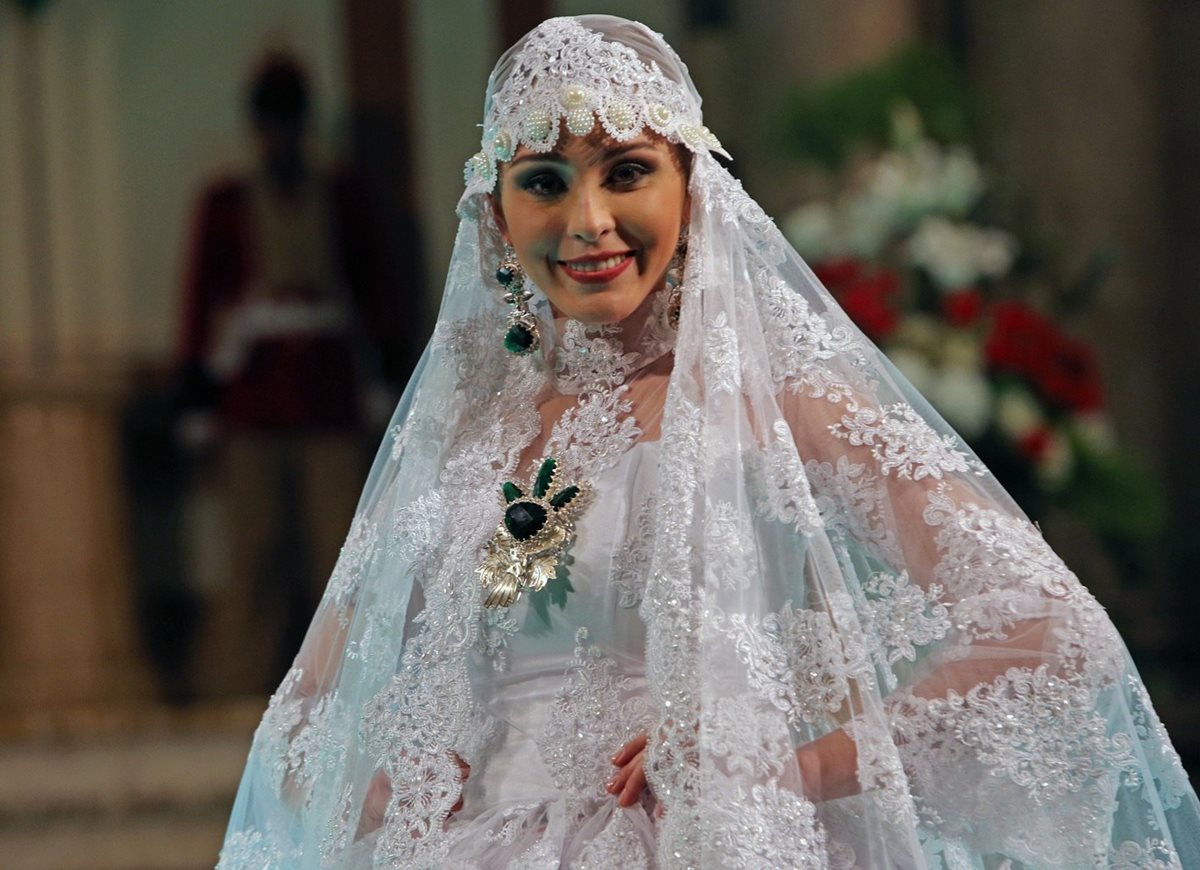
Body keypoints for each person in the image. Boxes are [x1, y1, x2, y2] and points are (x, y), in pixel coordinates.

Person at [217, 16, 1200, 868]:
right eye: (545, 181)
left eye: (627, 173)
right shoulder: (469, 435)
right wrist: (389, 781)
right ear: (497, 218)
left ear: (693, 189)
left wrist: (791, 767)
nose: (588, 221)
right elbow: (305, 713)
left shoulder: (778, 408)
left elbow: (1050, 633)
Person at [176, 53, 397, 696]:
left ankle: (347, 687)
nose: (280, 136)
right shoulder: (226, 204)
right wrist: (196, 392)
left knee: (340, 551)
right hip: (252, 401)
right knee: (253, 555)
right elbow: (199, 297)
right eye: (271, 123)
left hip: (329, 398)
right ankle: (239, 689)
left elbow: (377, 291)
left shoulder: (344, 198)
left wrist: (385, 373)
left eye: (289, 121)